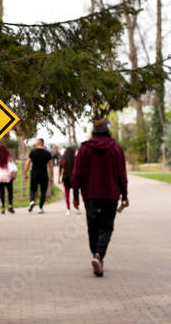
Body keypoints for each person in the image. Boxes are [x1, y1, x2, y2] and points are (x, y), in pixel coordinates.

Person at [71, 116, 128, 277]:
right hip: (110, 196)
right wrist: (124, 195)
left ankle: (97, 256)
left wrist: (75, 196)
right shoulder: (116, 148)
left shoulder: (83, 149)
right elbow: (121, 175)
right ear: (107, 129)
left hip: (90, 197)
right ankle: (99, 256)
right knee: (106, 228)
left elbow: (77, 175)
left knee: (93, 228)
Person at [24, 138, 53, 214]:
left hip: (34, 174)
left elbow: (27, 163)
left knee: (32, 189)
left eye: (36, 142)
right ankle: (40, 208)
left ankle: (32, 200)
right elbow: (50, 166)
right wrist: (52, 177)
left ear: (39, 143)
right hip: (44, 174)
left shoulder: (33, 152)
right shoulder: (47, 153)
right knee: (43, 191)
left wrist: (25, 173)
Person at [0, 143, 15, 214]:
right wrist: (14, 176)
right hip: (8, 175)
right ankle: (10, 205)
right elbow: (12, 166)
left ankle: (3, 208)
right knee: (10, 191)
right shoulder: (8, 156)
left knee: (1, 192)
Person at [58, 147, 80, 215]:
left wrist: (58, 178)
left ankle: (68, 209)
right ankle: (76, 207)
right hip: (74, 179)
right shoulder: (75, 159)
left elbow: (60, 170)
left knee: (67, 195)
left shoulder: (63, 160)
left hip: (66, 179)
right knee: (75, 193)